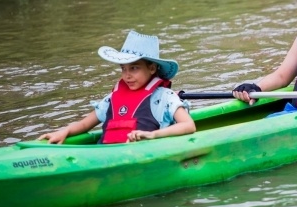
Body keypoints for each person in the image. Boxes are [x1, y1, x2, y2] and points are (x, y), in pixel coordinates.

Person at [40, 30, 196, 144]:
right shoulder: (112, 99)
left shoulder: (164, 97)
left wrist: (153, 135)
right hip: (106, 154)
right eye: (123, 68)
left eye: (134, 68)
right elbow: (84, 124)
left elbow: (188, 125)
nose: (127, 75)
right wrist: (65, 131)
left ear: (152, 68)